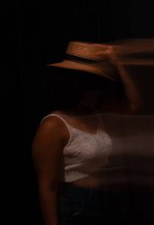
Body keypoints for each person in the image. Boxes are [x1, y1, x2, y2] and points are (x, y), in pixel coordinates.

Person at [32, 43, 125, 225]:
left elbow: (136, 107)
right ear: (80, 86)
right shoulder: (54, 125)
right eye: (94, 86)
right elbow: (47, 187)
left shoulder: (97, 115)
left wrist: (119, 64)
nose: (99, 92)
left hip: (106, 201)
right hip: (77, 206)